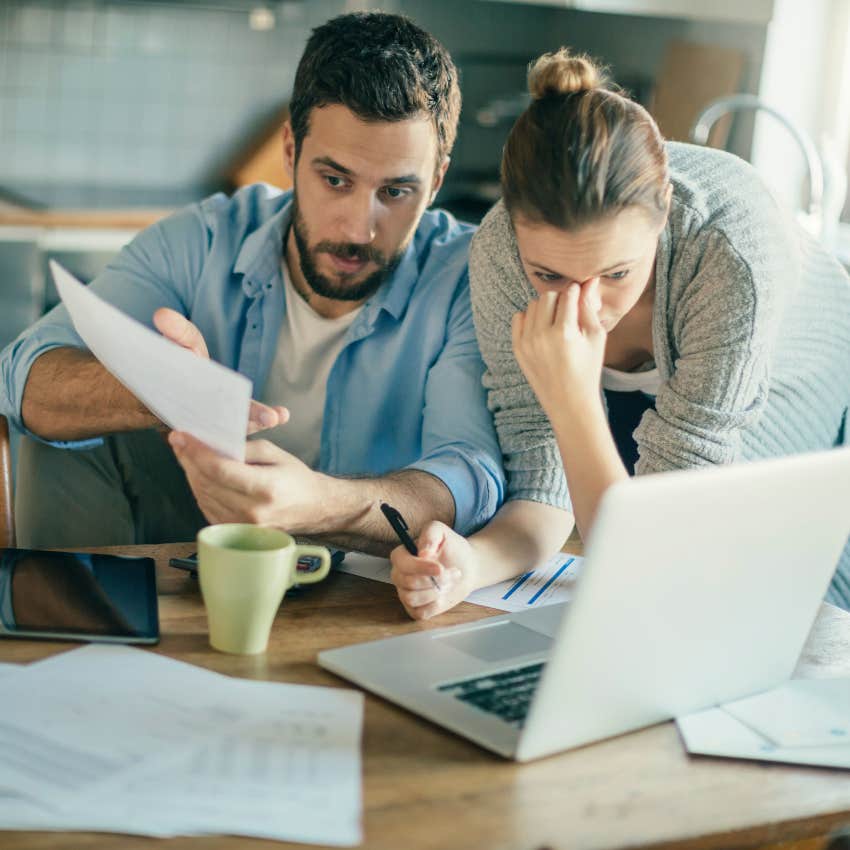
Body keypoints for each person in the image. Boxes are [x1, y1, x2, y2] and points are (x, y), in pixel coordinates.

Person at [0, 12, 504, 553]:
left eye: (396, 192)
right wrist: (158, 388)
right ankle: (76, 630)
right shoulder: (204, 239)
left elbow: (469, 474)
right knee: (61, 428)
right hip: (197, 548)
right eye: (335, 180)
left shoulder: (468, 276)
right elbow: (24, 374)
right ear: (290, 151)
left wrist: (319, 503)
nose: (360, 227)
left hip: (371, 583)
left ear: (437, 180)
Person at [390, 47, 850, 616]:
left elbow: (656, 556)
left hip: (806, 388)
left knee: (768, 612)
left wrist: (573, 397)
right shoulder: (499, 252)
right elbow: (543, 486)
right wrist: (469, 564)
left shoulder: (727, 257)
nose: (588, 308)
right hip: (671, 428)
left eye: (616, 274)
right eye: (549, 275)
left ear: (663, 213)